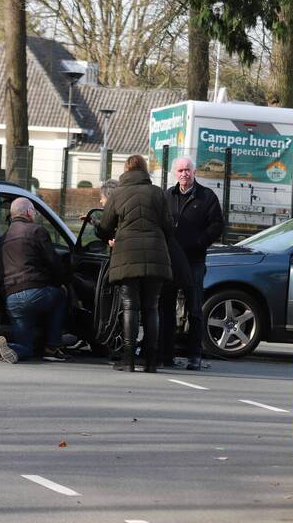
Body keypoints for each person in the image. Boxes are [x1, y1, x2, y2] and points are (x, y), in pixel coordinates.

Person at [94, 154, 173, 373]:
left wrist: (96, 226)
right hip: (157, 257)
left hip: (127, 256)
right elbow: (169, 227)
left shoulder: (118, 194)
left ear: (126, 170)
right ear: (145, 169)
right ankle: (151, 361)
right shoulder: (158, 193)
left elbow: (106, 227)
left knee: (130, 306)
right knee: (152, 307)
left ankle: (128, 360)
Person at [159, 156, 224, 371]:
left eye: (187, 170)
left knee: (194, 309)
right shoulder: (167, 196)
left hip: (194, 261)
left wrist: (199, 243)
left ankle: (194, 355)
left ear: (194, 172)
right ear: (174, 174)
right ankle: (166, 354)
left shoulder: (206, 197)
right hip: (170, 261)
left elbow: (217, 226)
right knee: (166, 308)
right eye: (180, 170)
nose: (184, 174)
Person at [0, 197, 72, 364]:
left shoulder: (3, 239)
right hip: (34, 294)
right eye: (34, 212)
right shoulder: (37, 231)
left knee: (26, 347)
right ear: (29, 212)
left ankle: (11, 348)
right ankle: (52, 347)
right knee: (60, 295)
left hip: (12, 299)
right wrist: (63, 282)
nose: (35, 215)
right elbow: (54, 263)